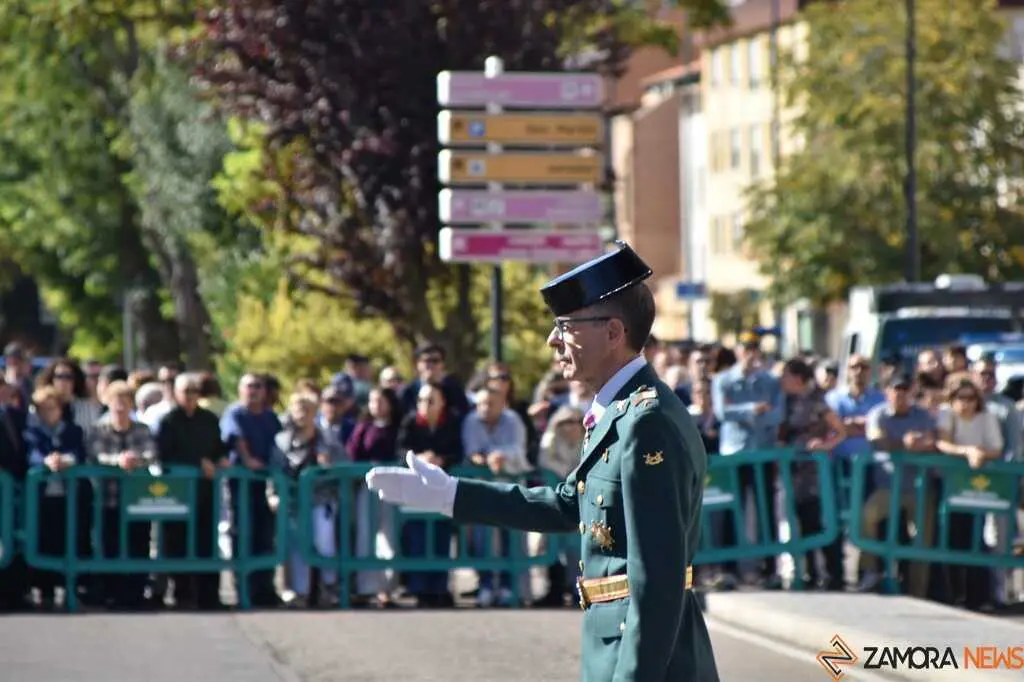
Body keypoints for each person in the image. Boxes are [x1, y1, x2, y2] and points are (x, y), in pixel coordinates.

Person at [366, 242, 719, 682]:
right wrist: (452, 494)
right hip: (617, 645)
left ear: (613, 333)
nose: (554, 340)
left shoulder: (645, 420)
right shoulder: (622, 412)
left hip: (646, 659)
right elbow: (567, 505)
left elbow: (657, 582)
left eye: (567, 325)